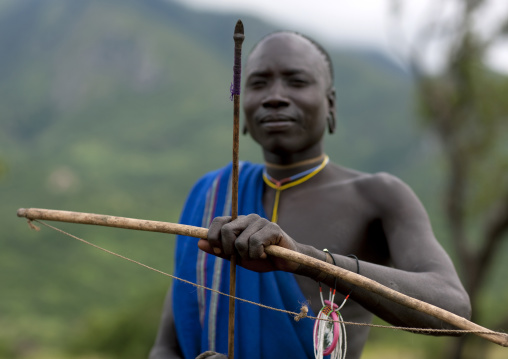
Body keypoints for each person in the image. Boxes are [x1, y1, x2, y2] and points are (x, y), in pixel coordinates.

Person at [149, 31, 471, 359]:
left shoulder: (377, 195)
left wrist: (308, 260)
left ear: (330, 104)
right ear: (242, 108)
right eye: (258, 83)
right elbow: (165, 348)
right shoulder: (212, 195)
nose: (274, 96)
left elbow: (454, 309)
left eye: (296, 82)